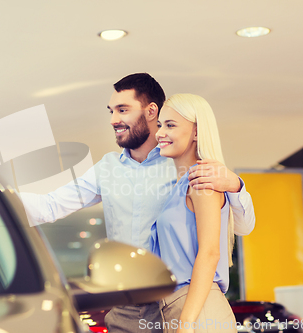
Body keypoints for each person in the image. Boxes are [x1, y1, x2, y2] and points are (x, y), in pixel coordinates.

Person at [20, 73, 254, 333]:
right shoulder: (107, 169)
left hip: (177, 302)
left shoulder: (186, 167)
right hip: (125, 308)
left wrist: (236, 186)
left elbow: (238, 229)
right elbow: (48, 205)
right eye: (111, 111)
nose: (113, 120)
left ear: (151, 111)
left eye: (123, 110)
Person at [150, 93, 238, 333]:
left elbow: (209, 253)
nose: (159, 133)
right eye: (159, 125)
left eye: (170, 125)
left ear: (197, 132)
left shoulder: (202, 181)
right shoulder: (179, 186)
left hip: (198, 311)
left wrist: (186, 322)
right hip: (180, 308)